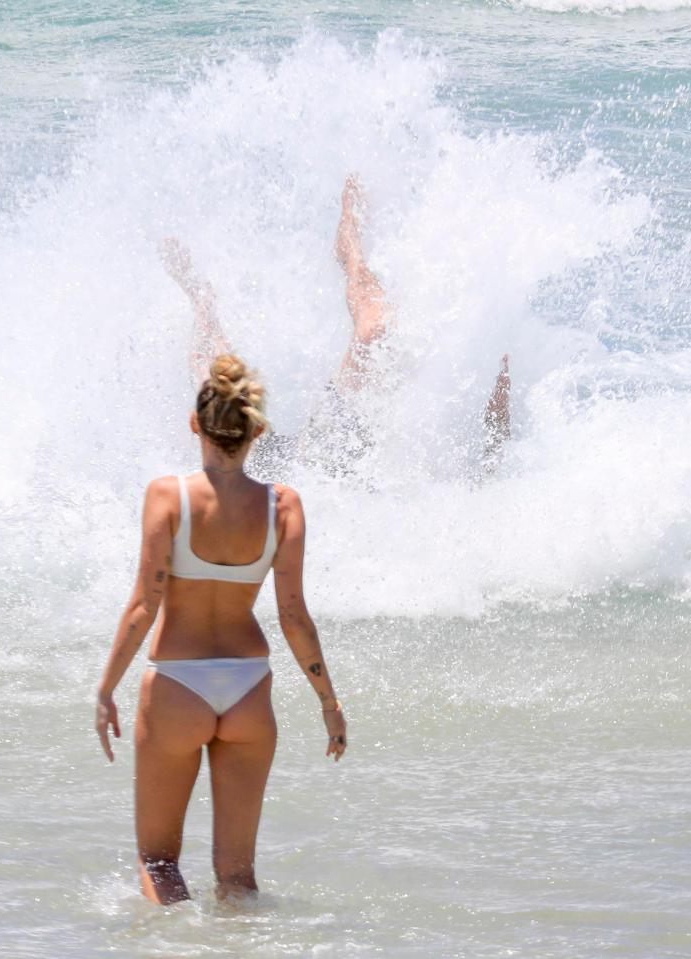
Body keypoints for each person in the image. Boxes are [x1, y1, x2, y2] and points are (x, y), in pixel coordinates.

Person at [95, 354, 347, 906]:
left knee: (159, 861)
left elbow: (144, 604)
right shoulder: (283, 505)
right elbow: (294, 616)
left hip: (176, 687)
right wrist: (328, 701)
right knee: (238, 876)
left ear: (195, 423)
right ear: (257, 429)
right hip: (249, 689)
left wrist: (106, 688)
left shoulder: (169, 497)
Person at [160, 175, 511, 474]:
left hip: (313, 457)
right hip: (314, 462)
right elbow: (488, 481)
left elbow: (487, 489)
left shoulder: (271, 499)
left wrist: (496, 395)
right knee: (375, 331)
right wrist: (497, 410)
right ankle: (204, 304)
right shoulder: (200, 499)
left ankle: (348, 248)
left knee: (374, 331)